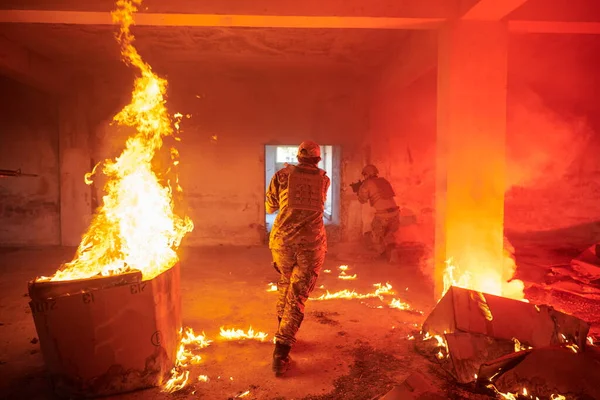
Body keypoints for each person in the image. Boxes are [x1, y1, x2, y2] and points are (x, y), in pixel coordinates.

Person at [265, 140, 330, 377]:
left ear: (298, 156)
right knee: (298, 294)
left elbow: (271, 206)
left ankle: (282, 327)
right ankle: (281, 350)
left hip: (282, 241)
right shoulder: (324, 179)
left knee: (286, 281)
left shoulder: (282, 175)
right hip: (311, 246)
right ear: (317, 159)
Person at [356, 164, 400, 262]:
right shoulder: (384, 181)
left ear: (366, 174)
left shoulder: (367, 184)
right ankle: (393, 253)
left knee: (375, 235)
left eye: (364, 175)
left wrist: (359, 190)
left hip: (383, 215)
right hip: (395, 213)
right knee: (389, 234)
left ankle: (381, 253)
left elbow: (362, 200)